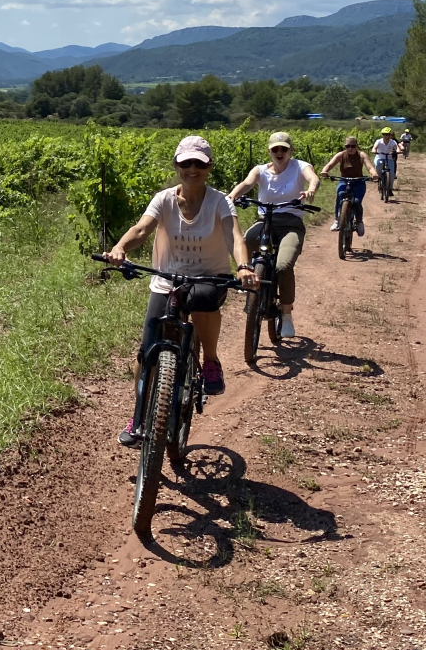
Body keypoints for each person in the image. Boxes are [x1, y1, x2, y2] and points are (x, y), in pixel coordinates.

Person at [106, 135, 254, 447]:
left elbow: (234, 237)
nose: (192, 169)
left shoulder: (219, 202)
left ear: (209, 167)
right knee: (146, 353)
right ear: (177, 165)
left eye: (198, 163)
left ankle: (210, 360)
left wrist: (242, 266)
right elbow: (141, 229)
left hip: (209, 277)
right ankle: (139, 416)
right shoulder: (163, 199)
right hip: (167, 279)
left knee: (201, 301)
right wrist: (120, 247)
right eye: (185, 163)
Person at [227, 131, 319, 339]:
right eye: (275, 149)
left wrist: (311, 190)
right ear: (269, 151)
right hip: (265, 221)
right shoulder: (260, 170)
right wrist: (232, 195)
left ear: (290, 151)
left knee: (283, 265)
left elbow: (313, 178)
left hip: (291, 224)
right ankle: (249, 274)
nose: (279, 152)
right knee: (245, 241)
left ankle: (286, 314)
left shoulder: (299, 166)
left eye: (284, 149)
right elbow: (247, 183)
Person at [320, 135, 379, 236]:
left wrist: (374, 174)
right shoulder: (341, 155)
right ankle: (337, 220)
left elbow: (369, 167)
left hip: (358, 182)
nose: (350, 148)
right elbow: (330, 164)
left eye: (353, 146)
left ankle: (359, 222)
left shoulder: (362, 155)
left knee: (356, 202)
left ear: (357, 146)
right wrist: (324, 171)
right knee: (340, 195)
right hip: (344, 181)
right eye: (348, 146)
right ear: (345, 147)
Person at [372, 127, 400, 198]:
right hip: (380, 157)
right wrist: (374, 150)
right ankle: (379, 177)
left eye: (387, 134)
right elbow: (374, 147)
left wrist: (398, 151)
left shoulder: (392, 142)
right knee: (379, 164)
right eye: (384, 134)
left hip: (389, 158)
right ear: (382, 135)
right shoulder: (379, 141)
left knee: (392, 175)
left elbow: (397, 148)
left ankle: (389, 188)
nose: (385, 136)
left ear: (389, 135)